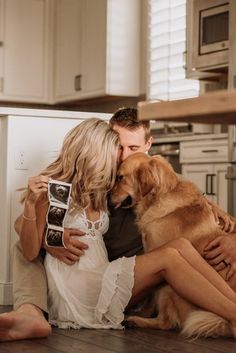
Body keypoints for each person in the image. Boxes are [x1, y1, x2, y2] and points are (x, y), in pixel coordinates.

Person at [0, 109, 235, 340]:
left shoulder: (156, 178)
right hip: (92, 278)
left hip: (117, 275)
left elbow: (194, 203)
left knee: (179, 246)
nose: (123, 157)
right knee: (21, 247)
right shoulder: (87, 183)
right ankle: (30, 313)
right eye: (117, 149)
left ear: (148, 145)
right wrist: (50, 239)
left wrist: (229, 233)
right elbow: (24, 230)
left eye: (131, 148)